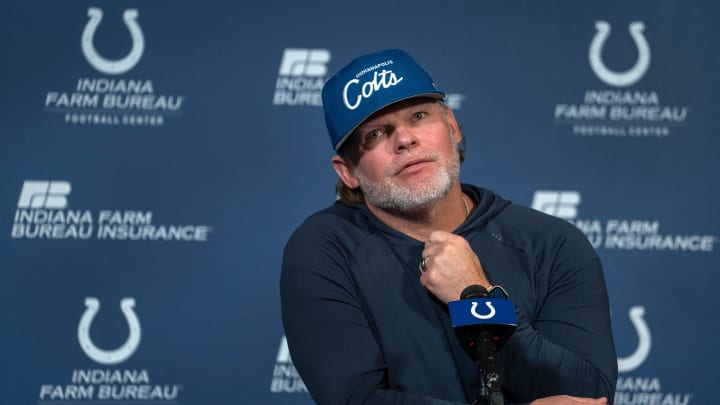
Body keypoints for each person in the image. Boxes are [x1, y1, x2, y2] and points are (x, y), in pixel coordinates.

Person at [280, 48, 617, 405]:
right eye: (376, 134)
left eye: (420, 115)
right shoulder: (325, 248)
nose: (405, 139)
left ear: (452, 127)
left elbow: (589, 395)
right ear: (347, 172)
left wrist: (477, 296)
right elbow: (355, 400)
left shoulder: (551, 242)